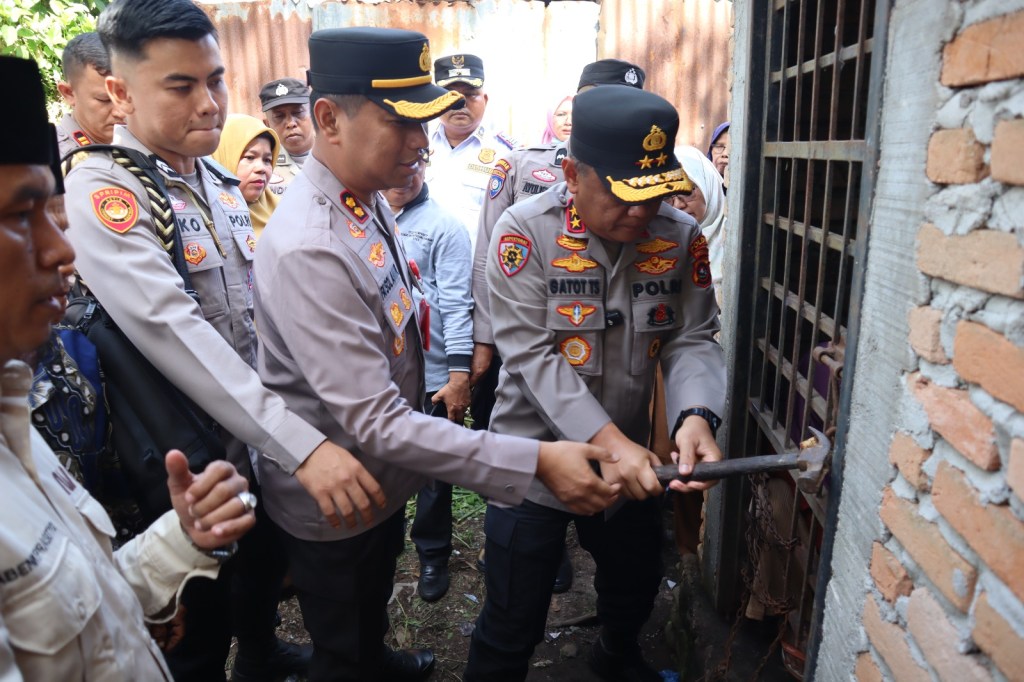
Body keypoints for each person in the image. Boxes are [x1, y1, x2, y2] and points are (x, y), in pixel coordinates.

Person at [252, 27, 621, 682]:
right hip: (335, 493)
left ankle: (377, 658)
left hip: (382, 475)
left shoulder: (364, 197)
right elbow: (379, 422)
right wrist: (535, 460)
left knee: (370, 604)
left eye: (425, 120)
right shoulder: (311, 240)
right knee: (340, 641)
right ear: (329, 118)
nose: (422, 141)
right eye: (402, 122)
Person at [62, 2, 386, 680]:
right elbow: (174, 332)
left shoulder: (215, 181)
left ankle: (263, 657)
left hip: (250, 437)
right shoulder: (107, 190)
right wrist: (301, 444)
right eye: (181, 86)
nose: (211, 104)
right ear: (118, 94)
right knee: (196, 628)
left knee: (259, 580)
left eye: (216, 79)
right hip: (179, 461)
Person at [0, 52, 255, 681]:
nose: (63, 249)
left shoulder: (12, 426)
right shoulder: (107, 181)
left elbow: (70, 607)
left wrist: (182, 539)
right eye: (17, 215)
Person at [463, 85, 727, 682]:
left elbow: (692, 337)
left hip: (632, 459)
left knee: (632, 589)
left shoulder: (680, 237)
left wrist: (695, 417)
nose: (640, 214)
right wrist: (610, 442)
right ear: (573, 173)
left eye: (653, 194)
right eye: (623, 196)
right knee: (513, 614)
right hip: (534, 458)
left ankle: (615, 655)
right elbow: (530, 355)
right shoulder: (525, 232)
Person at [383, 163, 472, 603]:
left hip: (434, 375)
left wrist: (459, 374)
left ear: (426, 165)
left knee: (435, 471)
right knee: (386, 463)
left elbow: (457, 304)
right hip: (383, 376)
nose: (403, 177)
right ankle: (384, 549)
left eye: (412, 167)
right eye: (393, 168)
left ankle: (433, 553)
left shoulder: (445, 227)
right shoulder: (366, 217)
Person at [425, 53, 516, 249]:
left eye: (470, 94)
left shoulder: (508, 154)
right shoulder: (418, 146)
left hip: (478, 271)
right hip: (421, 272)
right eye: (450, 95)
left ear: (485, 99)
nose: (460, 103)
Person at [55, 31, 125, 156]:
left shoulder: (143, 145)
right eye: (105, 100)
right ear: (69, 93)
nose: (121, 112)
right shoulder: (52, 161)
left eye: (128, 98)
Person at [211, 113, 281, 236]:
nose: (262, 169)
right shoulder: (205, 217)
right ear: (223, 158)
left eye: (267, 160)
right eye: (249, 157)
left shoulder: (285, 210)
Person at [671, 145, 726, 298]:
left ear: (708, 185)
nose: (677, 205)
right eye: (667, 196)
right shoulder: (656, 239)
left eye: (686, 192)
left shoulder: (735, 236)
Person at [260, 77, 315, 196]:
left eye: (298, 113)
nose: (290, 123)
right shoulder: (261, 166)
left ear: (314, 114)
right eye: (279, 116)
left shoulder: (336, 157)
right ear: (267, 124)